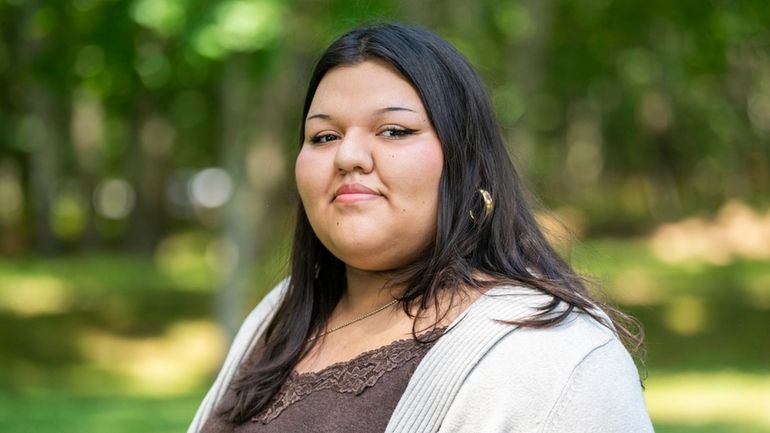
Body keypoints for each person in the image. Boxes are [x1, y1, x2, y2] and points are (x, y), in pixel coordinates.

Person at [188, 22, 654, 433]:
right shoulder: (277, 318)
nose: (348, 156)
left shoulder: (556, 359)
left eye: (394, 131)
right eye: (324, 136)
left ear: (469, 166)